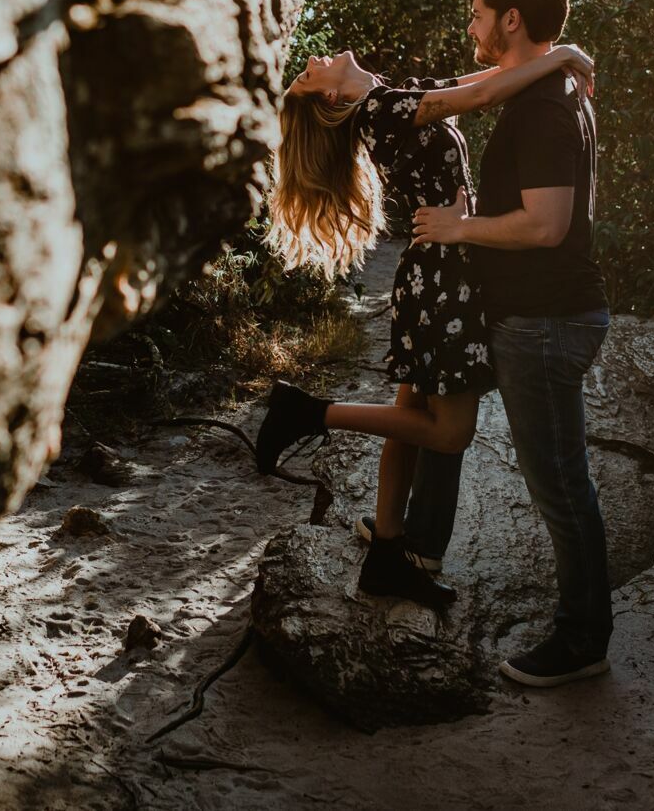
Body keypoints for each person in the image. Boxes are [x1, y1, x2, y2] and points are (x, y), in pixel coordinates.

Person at [254, 35, 593, 610]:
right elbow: (483, 97)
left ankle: (387, 553)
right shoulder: (381, 111)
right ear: (332, 98)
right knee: (450, 432)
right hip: (442, 280)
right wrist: (560, 56)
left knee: (409, 418)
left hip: (436, 272)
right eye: (308, 76)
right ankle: (307, 412)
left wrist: (544, 59)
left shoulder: (392, 96)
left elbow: (473, 84)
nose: (311, 61)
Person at [412, 0, 614, 688]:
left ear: (512, 19)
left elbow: (547, 225)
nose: (471, 27)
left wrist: (460, 227)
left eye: (477, 14)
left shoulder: (545, 107)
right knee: (450, 411)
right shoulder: (547, 89)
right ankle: (415, 543)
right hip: (533, 317)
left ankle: (583, 640)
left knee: (560, 485)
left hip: (546, 323)